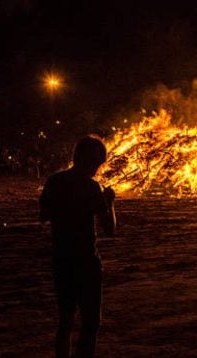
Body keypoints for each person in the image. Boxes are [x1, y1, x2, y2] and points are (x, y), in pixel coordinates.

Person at [39, 136, 116, 358]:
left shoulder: (54, 181)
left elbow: (43, 215)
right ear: (89, 159)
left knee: (65, 320)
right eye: (97, 163)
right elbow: (109, 229)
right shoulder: (91, 187)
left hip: (61, 258)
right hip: (86, 260)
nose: (97, 169)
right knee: (90, 321)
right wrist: (109, 201)